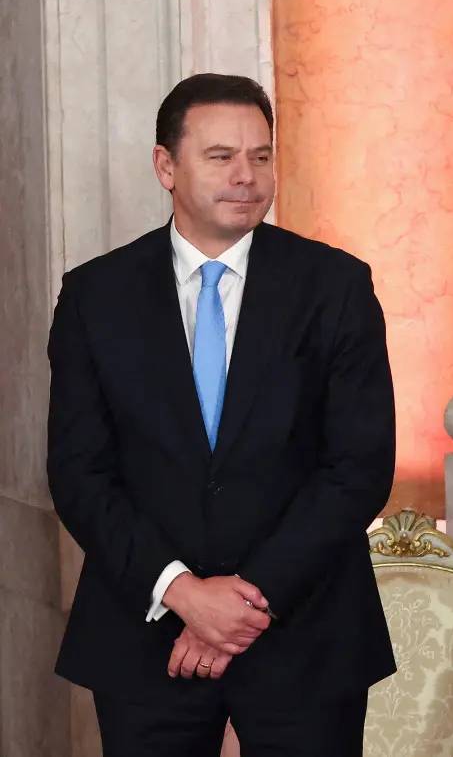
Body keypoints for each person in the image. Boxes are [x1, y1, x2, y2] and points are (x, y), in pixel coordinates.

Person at [47, 73, 397, 756]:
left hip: (305, 632)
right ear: (165, 166)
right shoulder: (96, 296)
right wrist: (180, 591)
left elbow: (357, 467)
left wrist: (244, 603)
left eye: (261, 156)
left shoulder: (336, 287)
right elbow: (79, 473)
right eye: (221, 157)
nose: (246, 176)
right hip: (144, 637)